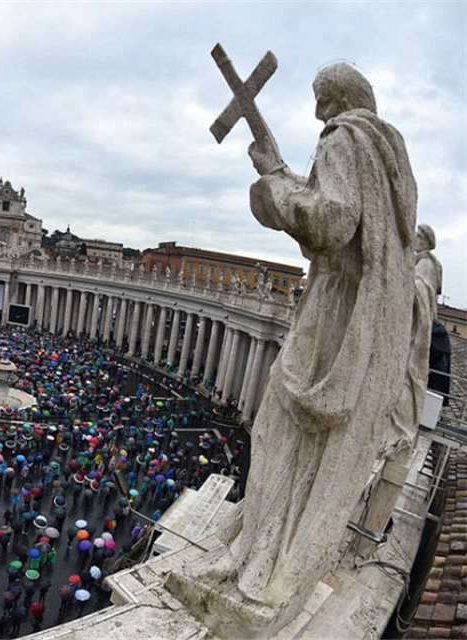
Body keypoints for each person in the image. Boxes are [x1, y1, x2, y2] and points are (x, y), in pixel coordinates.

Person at [177, 61, 418, 632]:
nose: (315, 113)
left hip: (334, 310)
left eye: (319, 100)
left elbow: (332, 220)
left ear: (338, 100)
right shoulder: (389, 158)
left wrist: (273, 183)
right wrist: (280, 167)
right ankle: (275, 555)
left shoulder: (343, 137)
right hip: (362, 316)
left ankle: (258, 564)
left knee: (278, 431)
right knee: (305, 444)